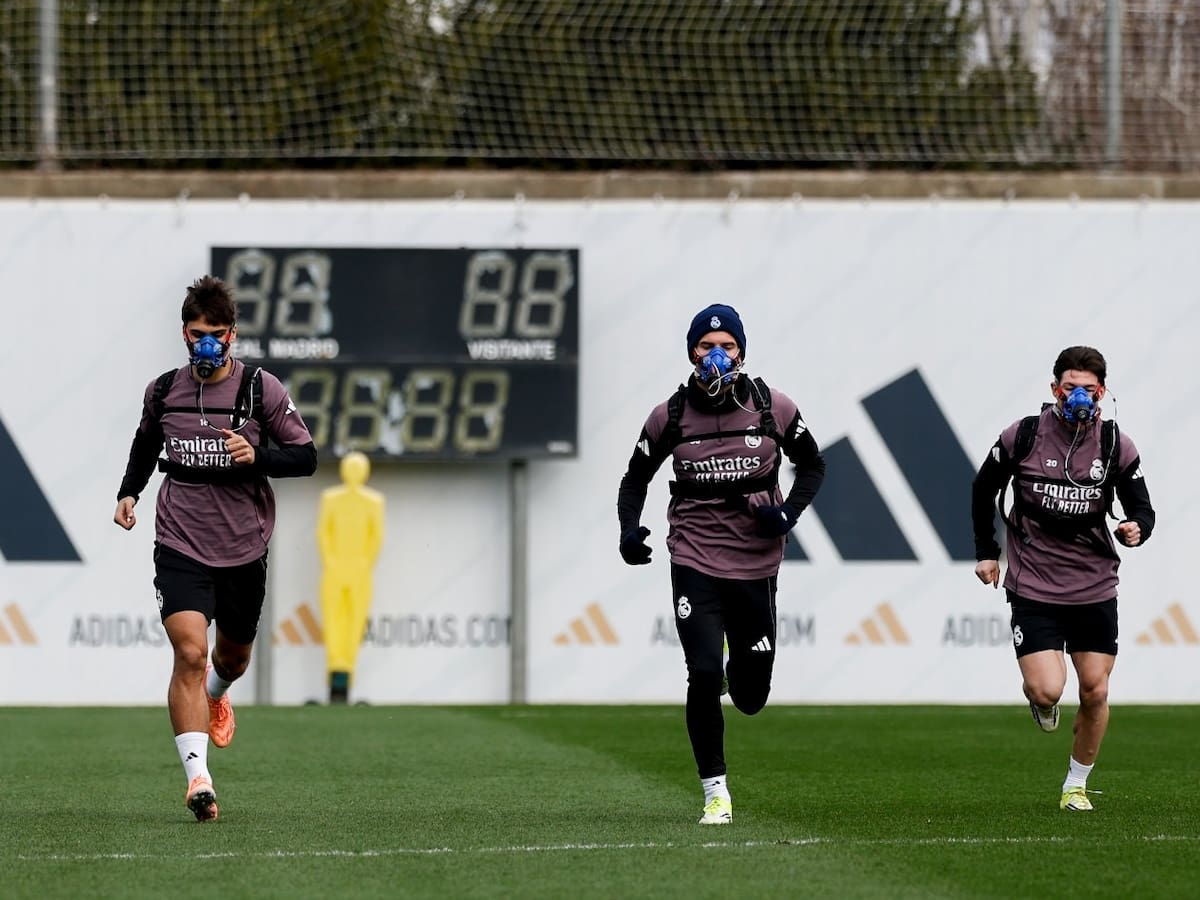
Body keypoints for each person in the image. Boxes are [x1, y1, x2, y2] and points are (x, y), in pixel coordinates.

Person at [113, 275, 317, 822]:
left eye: (217, 333)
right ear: (185, 332)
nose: (207, 343)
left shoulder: (259, 389)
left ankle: (218, 693)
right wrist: (129, 491)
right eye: (198, 333)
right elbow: (145, 442)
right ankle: (198, 779)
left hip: (243, 545)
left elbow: (306, 456)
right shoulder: (163, 390)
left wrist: (259, 457)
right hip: (179, 538)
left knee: (231, 659)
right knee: (188, 652)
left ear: (232, 334)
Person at [616, 304, 825, 825]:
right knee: (703, 672)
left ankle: (739, 666)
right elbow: (635, 476)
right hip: (693, 557)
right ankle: (715, 792)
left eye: (726, 347)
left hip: (755, 562)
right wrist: (628, 530)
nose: (716, 356)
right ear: (691, 352)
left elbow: (813, 465)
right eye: (706, 346)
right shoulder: (671, 415)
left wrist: (787, 515)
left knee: (751, 696)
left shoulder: (771, 406)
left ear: (742, 351)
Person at [970, 345, 1155, 812]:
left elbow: (1143, 509)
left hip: (1093, 583)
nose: (1079, 397)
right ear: (1055, 389)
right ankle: (1042, 702)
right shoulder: (1024, 435)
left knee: (1095, 689)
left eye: (1089, 390)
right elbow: (982, 487)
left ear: (1103, 392)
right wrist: (986, 553)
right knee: (1047, 688)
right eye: (1071, 388)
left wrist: (1136, 529)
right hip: (1034, 583)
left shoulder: (1115, 444)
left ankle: (1076, 784)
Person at [318, 450, 385, 704]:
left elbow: (376, 537)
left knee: (354, 625)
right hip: (335, 571)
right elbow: (324, 532)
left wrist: (365, 562)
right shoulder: (330, 499)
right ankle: (336, 672)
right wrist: (330, 560)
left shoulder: (374, 502)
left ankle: (346, 674)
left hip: (359, 572)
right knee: (334, 624)